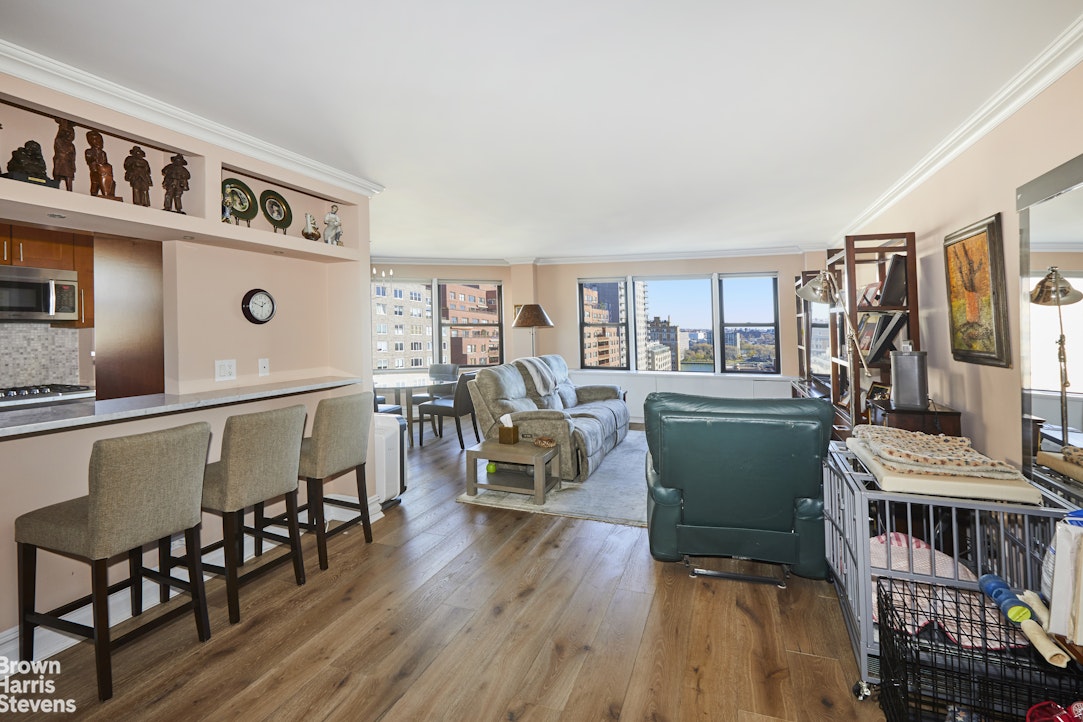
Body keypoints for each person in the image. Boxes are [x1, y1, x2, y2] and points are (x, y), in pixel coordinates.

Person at [84, 129, 118, 198]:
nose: (98, 142)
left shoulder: (103, 153)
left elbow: (105, 163)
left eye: (100, 140)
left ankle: (108, 194)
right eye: (95, 140)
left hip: (102, 172)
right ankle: (102, 194)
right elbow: (90, 160)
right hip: (95, 172)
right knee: (96, 184)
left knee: (110, 180)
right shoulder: (89, 151)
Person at [52, 119, 76, 191]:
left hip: (68, 163)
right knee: (57, 177)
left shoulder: (71, 145)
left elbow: (73, 157)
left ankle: (69, 190)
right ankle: (55, 188)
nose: (70, 135)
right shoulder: (59, 140)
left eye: (72, 133)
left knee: (69, 177)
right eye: (68, 133)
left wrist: (73, 166)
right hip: (60, 162)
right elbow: (62, 150)